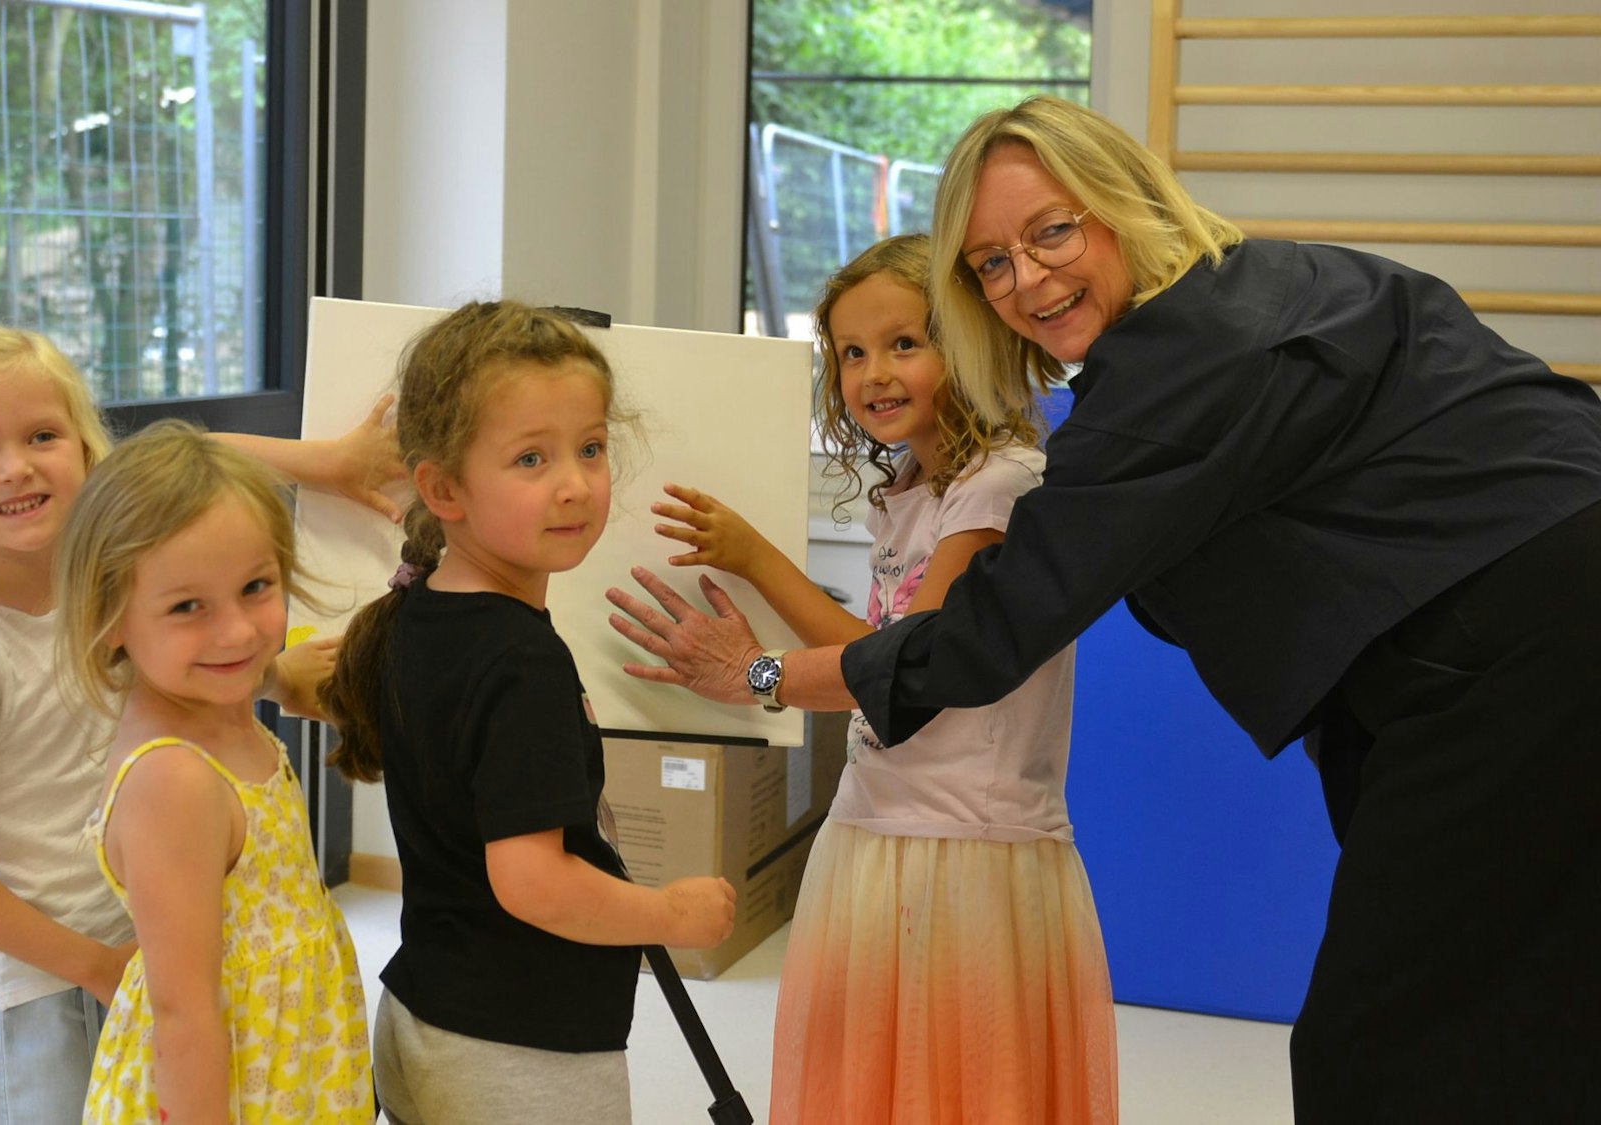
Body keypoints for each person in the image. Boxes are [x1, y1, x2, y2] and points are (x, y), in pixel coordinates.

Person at [606, 96, 1601, 1124]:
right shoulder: (1267, 285)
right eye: (991, 264)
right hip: (1504, 636)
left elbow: (979, 638)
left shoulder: (1158, 383)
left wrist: (756, 672)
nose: (1027, 278)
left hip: (1522, 650)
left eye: (1050, 231)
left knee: (1388, 1046)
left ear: (1122, 205)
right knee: (1530, 1011)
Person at [650, 233, 1114, 1123]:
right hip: (883, 826)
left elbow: (913, 672)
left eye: (905, 343)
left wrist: (755, 669)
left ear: (971, 339)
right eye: (852, 353)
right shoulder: (914, 486)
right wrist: (755, 563)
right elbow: (885, 650)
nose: (873, 373)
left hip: (963, 850)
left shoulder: (998, 484)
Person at [0, 326, 398, 1124]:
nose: (17, 466)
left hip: (157, 941)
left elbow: (192, 466)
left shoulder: (108, 567)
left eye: (43, 435)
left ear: (87, 451)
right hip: (46, 985)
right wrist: (92, 964)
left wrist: (325, 464)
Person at [316, 301, 737, 1125]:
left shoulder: (416, 614)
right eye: (531, 458)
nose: (574, 483)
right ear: (443, 488)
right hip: (516, 1058)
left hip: (427, 1021)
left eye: (589, 447)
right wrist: (672, 912)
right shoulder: (521, 661)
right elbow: (533, 881)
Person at [55, 419, 373, 1122]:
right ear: (109, 616)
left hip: (283, 1069)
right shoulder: (175, 779)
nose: (235, 632)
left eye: (256, 586)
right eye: (187, 606)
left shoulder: (222, 715)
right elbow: (183, 1010)